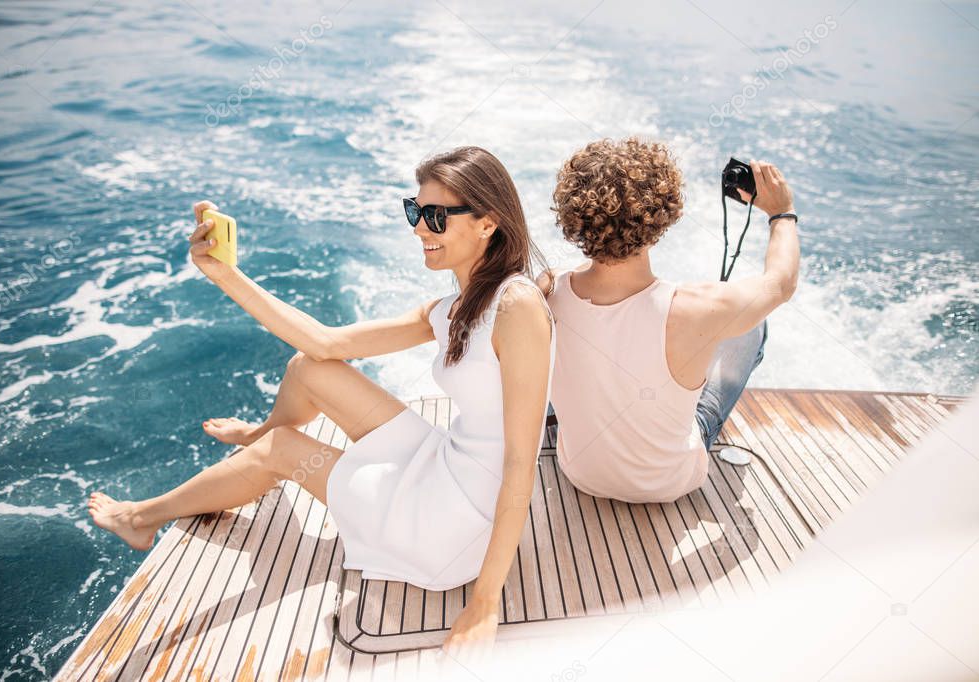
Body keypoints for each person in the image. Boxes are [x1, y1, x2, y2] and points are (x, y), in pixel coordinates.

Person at [87, 146, 556, 652]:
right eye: (414, 211)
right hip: (448, 461)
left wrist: (484, 603)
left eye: (436, 216)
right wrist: (225, 274)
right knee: (309, 369)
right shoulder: (455, 306)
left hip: (458, 519)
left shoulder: (517, 305)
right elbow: (325, 342)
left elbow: (520, 461)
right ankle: (257, 445)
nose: (419, 228)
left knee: (285, 449)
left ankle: (141, 519)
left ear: (488, 223)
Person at [537, 138, 799, 504]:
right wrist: (781, 213)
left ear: (572, 216)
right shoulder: (695, 308)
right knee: (752, 327)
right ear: (662, 214)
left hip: (580, 473)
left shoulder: (547, 290)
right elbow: (781, 284)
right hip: (669, 483)